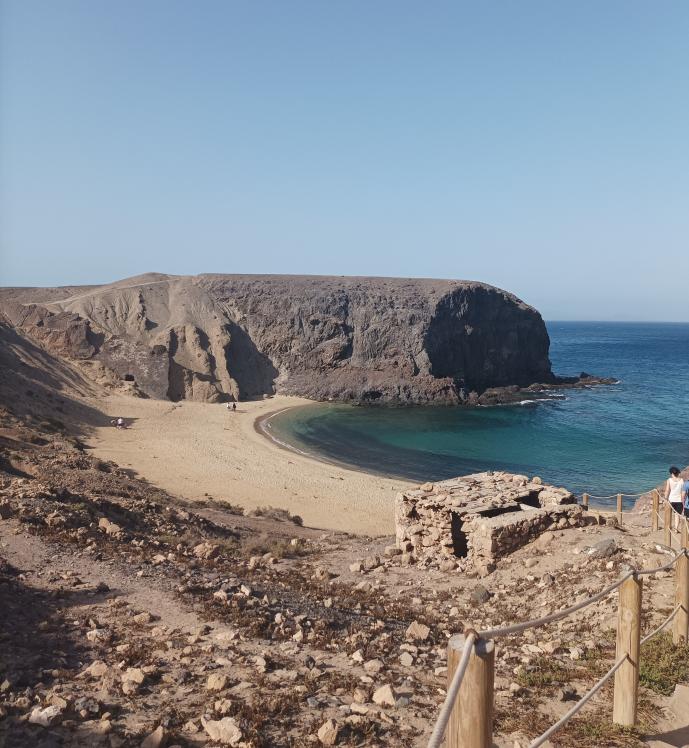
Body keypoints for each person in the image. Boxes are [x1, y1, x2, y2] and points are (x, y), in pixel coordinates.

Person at [664, 466, 684, 531]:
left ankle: (668, 527)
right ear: (678, 473)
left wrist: (665, 498)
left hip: (671, 500)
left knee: (669, 513)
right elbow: (683, 491)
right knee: (677, 515)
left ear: (671, 473)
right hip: (679, 500)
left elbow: (667, 490)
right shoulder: (681, 480)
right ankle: (676, 529)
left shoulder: (669, 480)